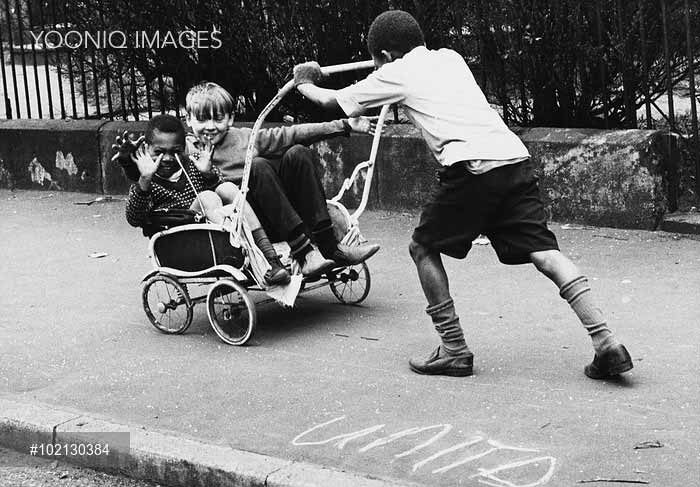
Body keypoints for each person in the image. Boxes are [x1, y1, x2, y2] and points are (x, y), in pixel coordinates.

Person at [293, 10, 633, 379]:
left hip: (471, 167)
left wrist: (304, 83)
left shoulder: (395, 72)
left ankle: (454, 349)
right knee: (546, 252)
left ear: (387, 56)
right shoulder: (450, 58)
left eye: (379, 61)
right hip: (513, 160)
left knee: (422, 247)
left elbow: (332, 101)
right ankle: (607, 342)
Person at [184, 81, 380, 277]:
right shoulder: (184, 149)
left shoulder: (244, 138)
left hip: (281, 215)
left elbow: (292, 133)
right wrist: (207, 173)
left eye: (218, 119)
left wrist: (344, 125)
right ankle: (304, 254)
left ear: (230, 118)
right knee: (258, 165)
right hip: (246, 226)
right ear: (188, 119)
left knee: (298, 152)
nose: (210, 127)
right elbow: (193, 196)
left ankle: (330, 248)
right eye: (202, 120)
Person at [116, 114, 291, 286]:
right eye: (159, 152)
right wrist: (144, 180)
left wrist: (207, 173)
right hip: (179, 240)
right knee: (207, 196)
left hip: (208, 229)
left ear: (184, 147)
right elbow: (134, 218)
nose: (168, 159)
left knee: (227, 188)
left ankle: (269, 256)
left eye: (175, 152)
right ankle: (244, 252)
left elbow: (221, 192)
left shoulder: (191, 165)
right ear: (147, 148)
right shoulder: (146, 178)